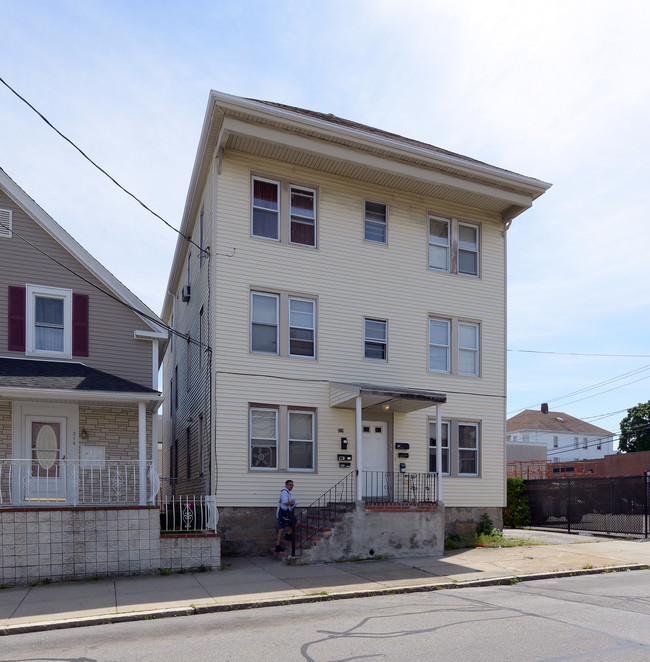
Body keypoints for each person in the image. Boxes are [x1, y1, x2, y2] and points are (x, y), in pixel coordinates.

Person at [275, 479, 297, 552]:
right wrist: (292, 503)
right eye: (290, 485)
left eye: (292, 485)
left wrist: (292, 502)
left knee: (281, 530)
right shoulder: (284, 492)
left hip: (285, 513)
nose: (291, 486)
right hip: (283, 513)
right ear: (286, 485)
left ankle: (277, 546)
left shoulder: (287, 493)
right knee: (296, 522)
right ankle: (287, 535)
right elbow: (285, 503)